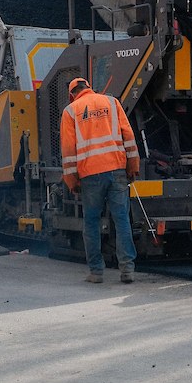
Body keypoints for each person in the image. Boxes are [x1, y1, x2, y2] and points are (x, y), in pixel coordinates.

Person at [59, 77, 140, 284]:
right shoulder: (112, 103)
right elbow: (128, 135)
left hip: (90, 175)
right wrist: (133, 167)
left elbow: (68, 150)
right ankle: (127, 270)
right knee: (122, 219)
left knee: (92, 222)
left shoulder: (70, 111)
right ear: (89, 88)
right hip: (117, 170)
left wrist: (72, 181)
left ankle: (96, 272)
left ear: (72, 94)